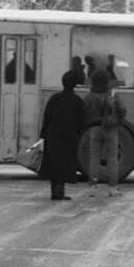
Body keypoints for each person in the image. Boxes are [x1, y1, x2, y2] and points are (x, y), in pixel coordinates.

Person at [39, 70, 87, 200]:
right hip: (69, 137)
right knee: (64, 165)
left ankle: (55, 191)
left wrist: (43, 135)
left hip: (53, 136)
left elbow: (47, 117)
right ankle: (60, 192)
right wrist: (78, 135)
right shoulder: (77, 101)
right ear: (75, 85)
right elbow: (81, 122)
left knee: (54, 164)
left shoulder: (54, 98)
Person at [83, 69, 127, 197]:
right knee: (112, 158)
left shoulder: (90, 96)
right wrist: (117, 122)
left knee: (94, 157)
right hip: (111, 129)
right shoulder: (112, 95)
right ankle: (113, 188)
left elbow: (84, 111)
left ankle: (93, 187)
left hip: (95, 129)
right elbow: (123, 110)